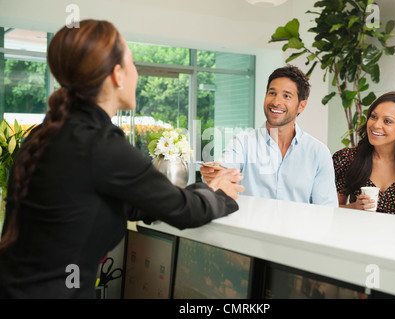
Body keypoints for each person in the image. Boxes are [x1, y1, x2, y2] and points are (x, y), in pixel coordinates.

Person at [0, 19, 244, 298]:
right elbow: (186, 211)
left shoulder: (46, 135)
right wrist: (219, 193)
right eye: (132, 64)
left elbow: (121, 201)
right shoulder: (99, 144)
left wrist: (183, 194)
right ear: (117, 75)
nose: (136, 74)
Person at [201, 65, 338, 207]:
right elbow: (225, 166)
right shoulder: (243, 142)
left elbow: (327, 209)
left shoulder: (318, 153)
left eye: (286, 96)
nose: (276, 102)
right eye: (272, 93)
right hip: (251, 229)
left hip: (297, 229)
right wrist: (215, 171)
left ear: (301, 106)